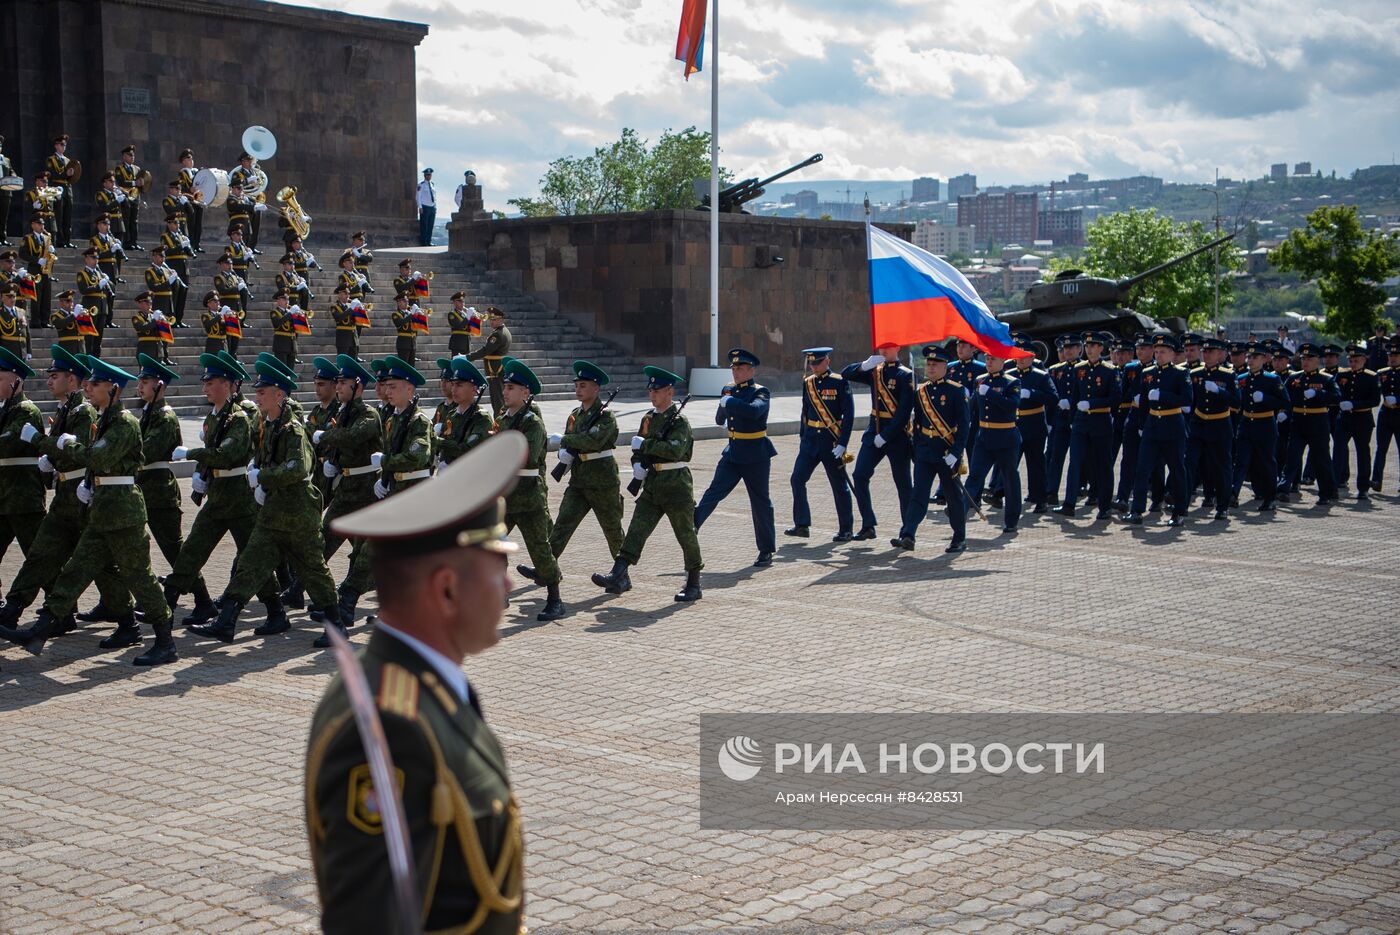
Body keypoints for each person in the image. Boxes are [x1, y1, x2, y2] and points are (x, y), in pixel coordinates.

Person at [304, 432, 526, 935]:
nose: (510, 585)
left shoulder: (422, 686)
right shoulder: (388, 725)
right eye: (499, 567)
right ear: (447, 589)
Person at [9, 356, 176, 664]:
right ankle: (41, 630)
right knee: (76, 570)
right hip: (102, 510)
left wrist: (52, 443)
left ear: (113, 389)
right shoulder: (104, 421)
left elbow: (95, 458)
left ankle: (165, 641)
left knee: (139, 577)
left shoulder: (124, 424)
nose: (89, 387)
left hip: (124, 512)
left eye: (96, 384)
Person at [188, 354, 344, 644]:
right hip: (273, 512)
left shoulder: (292, 429)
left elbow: (299, 467)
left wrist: (263, 477)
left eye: (262, 392)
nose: (257, 397)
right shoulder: (267, 426)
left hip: (298, 513)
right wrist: (256, 472)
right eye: (257, 392)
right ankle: (226, 621)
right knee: (251, 562)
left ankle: (337, 626)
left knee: (313, 571)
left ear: (280, 395)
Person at [161, 352, 276, 629]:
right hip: (218, 495)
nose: (204, 387)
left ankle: (276, 611)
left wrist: (193, 452)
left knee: (251, 558)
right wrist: (202, 474)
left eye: (210, 382)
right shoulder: (214, 417)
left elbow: (228, 453)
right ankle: (165, 608)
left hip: (239, 498)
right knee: (192, 549)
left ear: (227, 384)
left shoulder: (238, 418)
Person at [0, 346, 104, 639]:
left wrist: (47, 447)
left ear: (72, 381)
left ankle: (124, 613)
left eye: (55, 376)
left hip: (61, 495)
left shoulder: (78, 412)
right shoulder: (63, 412)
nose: (49, 381)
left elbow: (79, 451)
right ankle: (15, 608)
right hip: (58, 496)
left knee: (99, 562)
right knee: (42, 555)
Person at [336, 356, 433, 632]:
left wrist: (386, 464)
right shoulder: (393, 420)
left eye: (394, 386)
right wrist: (385, 477)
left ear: (410, 390)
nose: (388, 390)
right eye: (387, 385)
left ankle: (349, 601)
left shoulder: (418, 421)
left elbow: (418, 454)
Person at [592, 366, 702, 602]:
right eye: (651, 390)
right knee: (636, 530)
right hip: (653, 483)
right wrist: (638, 464)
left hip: (676, 484)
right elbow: (637, 449)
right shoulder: (648, 419)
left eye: (658, 390)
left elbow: (675, 450)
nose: (652, 394)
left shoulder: (680, 421)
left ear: (670, 391)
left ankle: (693, 583)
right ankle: (617, 573)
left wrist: (645, 447)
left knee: (685, 534)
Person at [311, 354, 384, 638]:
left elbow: (352, 437)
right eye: (337, 382)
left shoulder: (368, 415)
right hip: (347, 487)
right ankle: (320, 596)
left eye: (343, 382)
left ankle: (346, 603)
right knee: (325, 536)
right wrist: (332, 459)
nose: (337, 386)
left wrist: (325, 438)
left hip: (368, 491)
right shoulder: (342, 413)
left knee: (365, 552)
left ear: (358, 386)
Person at [530, 360, 622, 574]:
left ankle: (621, 574)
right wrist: (566, 455)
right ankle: (546, 568)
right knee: (563, 524)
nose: (578, 389)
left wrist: (566, 441)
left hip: (602, 481)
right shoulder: (574, 414)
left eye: (584, 385)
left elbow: (593, 441)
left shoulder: (606, 416)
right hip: (579, 479)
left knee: (612, 529)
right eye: (577, 385)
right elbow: (574, 440)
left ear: (596, 388)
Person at [491, 358, 566, 621]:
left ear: (525, 393)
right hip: (506, 497)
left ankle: (555, 598)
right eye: (505, 387)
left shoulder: (533, 422)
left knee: (539, 549)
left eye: (511, 388)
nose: (505, 391)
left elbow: (529, 456)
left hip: (529, 496)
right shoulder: (502, 418)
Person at [694, 347, 777, 566]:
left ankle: (766, 550)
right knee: (714, 491)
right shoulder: (728, 389)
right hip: (733, 451)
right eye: (734, 368)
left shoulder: (761, 391)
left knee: (760, 502)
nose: (736, 372)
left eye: (740, 368)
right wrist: (722, 409)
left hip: (756, 454)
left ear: (751, 370)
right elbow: (720, 417)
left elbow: (754, 411)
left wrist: (729, 403)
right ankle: (692, 526)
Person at [892, 344, 969, 553]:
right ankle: (908, 535)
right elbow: (917, 424)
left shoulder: (956, 390)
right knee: (919, 494)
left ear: (946, 367)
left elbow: (964, 426)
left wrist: (956, 453)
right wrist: (916, 448)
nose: (931, 368)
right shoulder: (921, 391)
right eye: (928, 364)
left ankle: (959, 538)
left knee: (953, 497)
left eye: (936, 364)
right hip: (926, 452)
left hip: (946, 453)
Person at [841, 341, 913, 539]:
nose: (884, 351)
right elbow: (846, 374)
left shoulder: (905, 375)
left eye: (888, 347)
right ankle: (868, 524)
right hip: (874, 431)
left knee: (903, 483)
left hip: (896, 435)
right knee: (860, 475)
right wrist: (864, 365)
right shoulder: (875, 371)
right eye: (882, 347)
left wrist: (886, 435)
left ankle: (908, 532)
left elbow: (903, 413)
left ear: (897, 349)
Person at [786, 347, 853, 541]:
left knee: (838, 485)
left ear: (827, 361)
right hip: (810, 441)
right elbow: (805, 412)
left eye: (818, 363)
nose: (814, 367)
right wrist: (802, 437)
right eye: (812, 363)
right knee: (797, 479)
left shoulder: (840, 382)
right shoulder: (808, 383)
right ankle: (802, 524)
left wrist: (843, 443)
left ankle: (846, 528)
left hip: (830, 441)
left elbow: (848, 416)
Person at [1125, 333, 1192, 527]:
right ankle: (1137, 510)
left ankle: (1179, 511)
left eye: (1163, 352)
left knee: (1177, 469)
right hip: (1152, 425)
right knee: (1142, 468)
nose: (1159, 355)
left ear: (1172, 354)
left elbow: (1187, 399)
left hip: (1172, 424)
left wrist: (1164, 395)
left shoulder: (1180, 373)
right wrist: (1141, 424)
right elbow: (1144, 403)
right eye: (1156, 352)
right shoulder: (1148, 373)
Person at [0, 346, 45, 607]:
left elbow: (7, 443)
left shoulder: (26, 411)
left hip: (24, 495)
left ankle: (61, 606)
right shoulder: (5, 409)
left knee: (38, 553)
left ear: (16, 380)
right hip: (6, 496)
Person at [1059, 331, 1121, 520]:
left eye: (1093, 346)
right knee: (1075, 461)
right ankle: (1069, 503)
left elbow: (1115, 399)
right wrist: (1071, 421)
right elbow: (1076, 396)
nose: (1090, 349)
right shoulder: (1079, 368)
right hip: (1081, 423)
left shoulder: (1110, 370)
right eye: (1087, 346)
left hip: (1100, 422)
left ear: (1101, 348)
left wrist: (1093, 404)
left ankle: (1104, 506)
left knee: (1103, 465)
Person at [962, 349, 1023, 532]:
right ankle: (961, 511)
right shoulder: (980, 380)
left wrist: (991, 394)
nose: (989, 362)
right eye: (987, 358)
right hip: (984, 438)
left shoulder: (1012, 382)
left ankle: (1011, 520)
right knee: (974, 477)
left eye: (993, 358)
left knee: (1009, 478)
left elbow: (1012, 406)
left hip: (1006, 437)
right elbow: (972, 407)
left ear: (1003, 360)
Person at [1185, 337, 1240, 519]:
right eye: (1205, 351)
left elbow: (1237, 402)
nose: (1207, 355)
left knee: (1221, 466)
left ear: (1220, 355)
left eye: (1211, 352)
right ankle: (1182, 504)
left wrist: (1220, 391)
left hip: (1220, 425)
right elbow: (1190, 401)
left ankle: (1222, 506)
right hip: (1199, 425)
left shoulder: (1228, 375)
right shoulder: (1194, 374)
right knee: (1190, 463)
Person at [1232, 343, 1289, 511]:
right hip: (1246, 424)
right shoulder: (1241, 378)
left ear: (1264, 359)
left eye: (1255, 357)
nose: (1250, 360)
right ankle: (1233, 493)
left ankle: (1270, 497)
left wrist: (1265, 399)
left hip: (1265, 424)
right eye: (1249, 357)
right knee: (1241, 461)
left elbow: (1284, 402)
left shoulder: (1272, 379)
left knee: (1266, 462)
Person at [1282, 344, 1340, 505]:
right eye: (1303, 359)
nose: (1305, 362)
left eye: (1309, 359)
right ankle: (1283, 489)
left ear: (1317, 360)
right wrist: (1284, 411)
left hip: (1318, 422)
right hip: (1298, 421)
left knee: (1321, 460)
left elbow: (1336, 397)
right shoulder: (1295, 378)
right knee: (1292, 457)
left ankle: (1327, 492)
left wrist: (1319, 393)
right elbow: (1284, 397)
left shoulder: (1326, 379)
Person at [1011, 335, 1057, 513]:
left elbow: (1053, 398)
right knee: (1010, 464)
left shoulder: (1041, 377)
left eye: (1025, 356)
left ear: (1032, 357)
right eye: (1018, 356)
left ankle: (1040, 499)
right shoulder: (1009, 376)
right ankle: (1003, 494)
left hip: (1034, 424)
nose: (1021, 360)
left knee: (1036, 465)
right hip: (1014, 425)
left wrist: (1033, 394)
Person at [1335, 343, 1381, 501]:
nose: (1352, 364)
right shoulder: (1342, 375)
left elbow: (1375, 400)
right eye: (1350, 360)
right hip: (1344, 419)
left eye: (1356, 360)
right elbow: (1335, 393)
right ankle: (1334, 484)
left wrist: (1354, 404)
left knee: (1362, 453)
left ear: (1363, 360)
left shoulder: (1371, 376)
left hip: (1362, 419)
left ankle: (1363, 488)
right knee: (1338, 451)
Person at [433, 355, 493, 467]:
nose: (454, 389)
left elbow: (467, 449)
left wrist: (437, 441)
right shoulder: (452, 415)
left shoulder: (481, 418)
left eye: (459, 385)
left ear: (474, 389)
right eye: (454, 384)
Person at [1045, 334, 1081, 504]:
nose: (1067, 351)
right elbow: (1051, 396)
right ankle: (1051, 492)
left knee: (1079, 458)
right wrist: (1049, 421)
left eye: (1071, 348)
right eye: (1065, 348)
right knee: (1055, 457)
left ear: (1079, 349)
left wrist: (1073, 404)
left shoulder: (1084, 368)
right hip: (1060, 419)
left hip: (1078, 419)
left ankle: (1082, 490)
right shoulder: (1056, 370)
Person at [469, 307, 511, 414]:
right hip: (498, 368)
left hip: (495, 370)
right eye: (491, 320)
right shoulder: (504, 331)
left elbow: (486, 350)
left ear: (501, 319)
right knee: (500, 398)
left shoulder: (497, 334)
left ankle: (499, 424)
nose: (491, 322)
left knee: (497, 401)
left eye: (494, 319)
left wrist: (468, 357)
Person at [1373, 340, 1400, 492]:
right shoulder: (1382, 373)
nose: (1393, 358)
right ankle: (1376, 480)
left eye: (1396, 355)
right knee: (1381, 448)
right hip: (1386, 413)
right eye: (1391, 355)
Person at [76, 246, 114, 355]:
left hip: (101, 309)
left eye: (97, 257)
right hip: (90, 308)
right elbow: (84, 290)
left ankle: (96, 362)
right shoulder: (82, 274)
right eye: (93, 257)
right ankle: (88, 362)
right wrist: (99, 285)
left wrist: (108, 283)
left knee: (98, 339)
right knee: (89, 339)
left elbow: (107, 291)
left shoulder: (99, 273)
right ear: (86, 259)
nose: (96, 260)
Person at [19, 213, 54, 327]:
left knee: (46, 296)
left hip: (46, 271)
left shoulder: (46, 237)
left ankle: (45, 320)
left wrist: (53, 252)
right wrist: (37, 260)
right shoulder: (28, 238)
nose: (42, 225)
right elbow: (22, 254)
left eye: (43, 223)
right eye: (39, 223)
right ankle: (35, 321)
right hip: (34, 270)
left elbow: (52, 255)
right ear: (33, 225)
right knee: (36, 297)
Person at [159, 214, 194, 326]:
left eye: (178, 223)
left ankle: (179, 319)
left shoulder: (181, 236)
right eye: (174, 223)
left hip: (184, 270)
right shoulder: (165, 237)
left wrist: (188, 246)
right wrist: (180, 246)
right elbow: (167, 252)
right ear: (169, 224)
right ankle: (172, 319)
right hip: (173, 268)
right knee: (173, 296)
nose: (177, 225)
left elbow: (189, 254)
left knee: (182, 296)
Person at [44, 134, 75, 248]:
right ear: (56, 146)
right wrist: (64, 174)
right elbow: (51, 175)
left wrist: (72, 175)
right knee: (59, 215)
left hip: (68, 189)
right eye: (62, 144)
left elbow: (72, 177)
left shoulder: (68, 160)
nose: (64, 147)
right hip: (57, 188)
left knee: (68, 216)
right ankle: (60, 240)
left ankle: (67, 240)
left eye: (65, 145)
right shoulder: (51, 160)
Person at [228, 153, 262, 249]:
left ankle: (253, 247)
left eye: (251, 160)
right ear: (243, 162)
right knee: (248, 225)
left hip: (253, 200)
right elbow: (236, 185)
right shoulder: (237, 173)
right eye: (248, 161)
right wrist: (248, 180)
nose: (251, 162)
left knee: (255, 225)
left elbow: (259, 185)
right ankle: (247, 246)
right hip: (243, 200)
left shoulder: (254, 172)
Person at [114, 144, 144, 249]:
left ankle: (134, 242)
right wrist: (135, 183)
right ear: (124, 156)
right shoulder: (119, 169)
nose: (132, 157)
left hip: (135, 196)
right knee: (126, 219)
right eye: (130, 155)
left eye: (133, 155)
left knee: (134, 220)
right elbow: (121, 182)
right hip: (126, 196)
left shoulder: (137, 168)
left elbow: (140, 183)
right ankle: (127, 243)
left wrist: (142, 184)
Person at [177, 148, 203, 252]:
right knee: (191, 224)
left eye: (191, 159)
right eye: (188, 159)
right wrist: (189, 189)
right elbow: (181, 188)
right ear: (183, 161)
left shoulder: (197, 172)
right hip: (190, 201)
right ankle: (191, 244)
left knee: (198, 224)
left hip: (199, 200)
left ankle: (197, 244)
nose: (191, 161)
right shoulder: (183, 173)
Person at [0, 284, 30, 360]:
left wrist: (29, 351)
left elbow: (27, 333)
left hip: (22, 352)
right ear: (2, 298)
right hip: (7, 351)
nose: (12, 299)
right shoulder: (1, 313)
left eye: (14, 297)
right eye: (9, 297)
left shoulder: (21, 311)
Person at [390, 291, 418, 365]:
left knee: (412, 366)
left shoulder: (409, 313)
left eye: (407, 301)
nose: (407, 303)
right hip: (403, 343)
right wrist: (412, 314)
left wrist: (419, 315)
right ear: (398, 303)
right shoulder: (396, 314)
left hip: (412, 343)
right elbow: (400, 323)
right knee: (404, 366)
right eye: (404, 301)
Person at [416, 167, 437, 246]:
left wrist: (435, 206)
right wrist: (420, 207)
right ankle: (423, 241)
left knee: (430, 225)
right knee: (424, 225)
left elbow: (434, 196)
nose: (428, 176)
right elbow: (418, 196)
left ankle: (428, 241)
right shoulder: (421, 185)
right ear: (424, 176)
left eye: (430, 175)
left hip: (432, 207)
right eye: (427, 175)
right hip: (424, 207)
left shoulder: (432, 184)